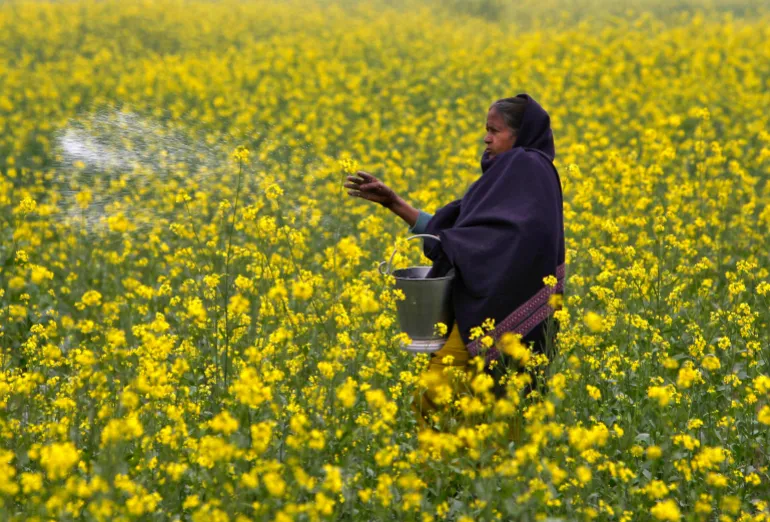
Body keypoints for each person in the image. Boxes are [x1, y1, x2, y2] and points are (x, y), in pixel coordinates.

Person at [344, 94, 565, 428]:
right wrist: (393, 203)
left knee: (440, 398)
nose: (486, 138)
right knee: (474, 410)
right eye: (486, 130)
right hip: (485, 311)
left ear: (520, 135)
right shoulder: (513, 174)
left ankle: (448, 473)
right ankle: (453, 474)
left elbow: (502, 239)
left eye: (495, 130)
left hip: (497, 312)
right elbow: (460, 230)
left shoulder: (525, 167)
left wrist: (452, 243)